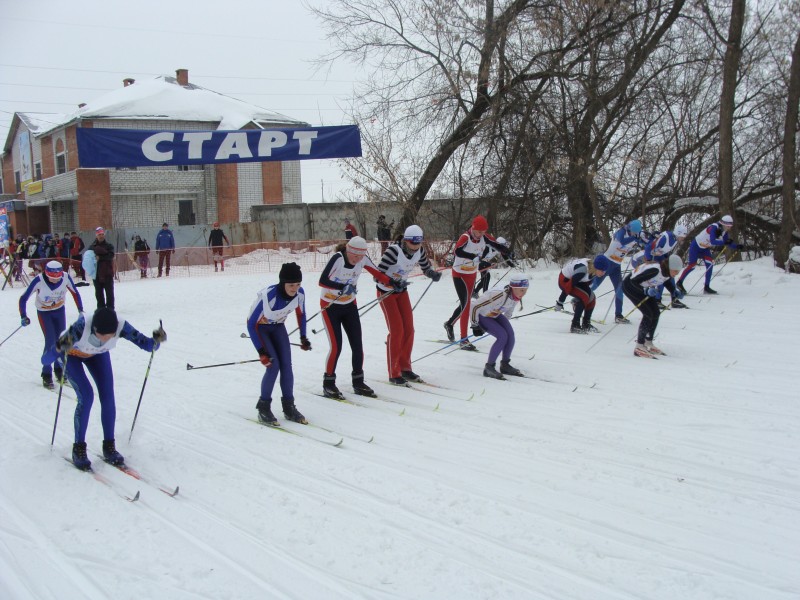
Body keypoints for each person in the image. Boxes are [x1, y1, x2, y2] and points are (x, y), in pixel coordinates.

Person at [46, 308, 166, 470]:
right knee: (87, 396)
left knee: (108, 397)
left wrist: (157, 340)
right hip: (72, 356)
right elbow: (45, 359)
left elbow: (147, 345)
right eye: (100, 336)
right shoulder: (81, 327)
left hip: (97, 356)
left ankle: (109, 446)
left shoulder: (121, 325)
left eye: (108, 336)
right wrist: (59, 348)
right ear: (93, 329)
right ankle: (79, 449)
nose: (104, 340)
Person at [318, 236, 395, 399]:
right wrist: (341, 286)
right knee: (336, 346)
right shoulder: (337, 259)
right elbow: (322, 281)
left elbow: (379, 274)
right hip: (330, 307)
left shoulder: (362, 259)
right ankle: (329, 384)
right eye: (355, 256)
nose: (358, 260)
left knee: (357, 345)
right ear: (348, 250)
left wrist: (394, 282)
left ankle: (358, 382)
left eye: (361, 256)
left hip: (349, 306)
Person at [246, 262, 311, 426]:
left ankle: (289, 407)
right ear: (283, 282)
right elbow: (251, 324)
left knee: (287, 366)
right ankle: (263, 407)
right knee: (273, 366)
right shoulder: (269, 296)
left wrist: (303, 337)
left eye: (298, 284)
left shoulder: (299, 294)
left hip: (278, 327)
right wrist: (261, 352)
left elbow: (301, 314)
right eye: (291, 285)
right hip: (261, 329)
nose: (294, 288)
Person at [376, 225, 442, 385]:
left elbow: (425, 267)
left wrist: (431, 273)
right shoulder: (393, 252)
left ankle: (405, 368)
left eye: (418, 244)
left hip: (402, 291)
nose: (415, 248)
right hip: (386, 293)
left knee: (409, 329)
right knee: (397, 331)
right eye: (413, 244)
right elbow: (377, 275)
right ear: (406, 241)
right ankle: (394, 372)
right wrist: (391, 283)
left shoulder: (419, 251)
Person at [443, 215, 509, 350]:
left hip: (471, 274)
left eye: (483, 232)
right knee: (466, 304)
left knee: (466, 304)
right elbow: (457, 251)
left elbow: (498, 245)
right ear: (473, 228)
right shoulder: (465, 237)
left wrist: (509, 254)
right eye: (479, 232)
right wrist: (473, 257)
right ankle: (463, 340)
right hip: (459, 274)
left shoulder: (484, 237)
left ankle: (450, 324)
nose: (480, 235)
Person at [19, 260, 84, 389]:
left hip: (59, 311)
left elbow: (75, 293)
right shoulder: (38, 280)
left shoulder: (65, 277)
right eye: (51, 278)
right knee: (50, 342)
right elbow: (23, 298)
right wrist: (23, 316)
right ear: (47, 274)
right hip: (44, 313)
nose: (55, 281)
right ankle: (46, 373)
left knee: (63, 341)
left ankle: (59, 370)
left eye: (57, 278)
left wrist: (81, 310)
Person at [470, 273, 529, 380]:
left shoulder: (515, 295)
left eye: (525, 290)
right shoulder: (499, 294)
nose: (524, 293)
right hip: (483, 315)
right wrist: (475, 324)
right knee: (502, 336)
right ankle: (489, 368)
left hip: (495, 314)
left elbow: (509, 309)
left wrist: (505, 322)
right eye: (521, 290)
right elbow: (474, 306)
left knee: (510, 334)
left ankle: (505, 365)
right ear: (513, 287)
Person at [622, 254, 683, 358]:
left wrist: (674, 292)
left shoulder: (666, 272)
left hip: (643, 288)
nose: (677, 273)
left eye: (678, 271)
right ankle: (639, 346)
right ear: (669, 267)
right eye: (675, 271)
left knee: (656, 313)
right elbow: (633, 281)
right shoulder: (655, 270)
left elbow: (666, 281)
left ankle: (648, 342)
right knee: (648, 314)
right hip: (630, 287)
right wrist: (646, 290)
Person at [590, 219, 645, 324]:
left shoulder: (635, 234)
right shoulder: (621, 232)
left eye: (635, 233)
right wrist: (634, 238)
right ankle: (578, 300)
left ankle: (618, 315)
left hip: (617, 265)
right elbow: (622, 241)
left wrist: (641, 242)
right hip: (607, 263)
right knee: (595, 285)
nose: (634, 234)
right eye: (633, 232)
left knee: (619, 289)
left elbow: (643, 241)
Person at [676, 215, 741, 295]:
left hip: (705, 248)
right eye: (728, 226)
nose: (729, 228)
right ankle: (679, 282)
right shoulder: (713, 227)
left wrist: (736, 246)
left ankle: (706, 287)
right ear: (724, 224)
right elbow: (713, 241)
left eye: (730, 226)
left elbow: (726, 242)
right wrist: (725, 242)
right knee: (692, 265)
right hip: (696, 246)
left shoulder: (724, 231)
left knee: (710, 265)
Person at [556, 255, 609, 333]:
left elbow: (585, 284)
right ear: (596, 267)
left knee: (591, 297)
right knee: (584, 297)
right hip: (565, 281)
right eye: (602, 270)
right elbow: (568, 286)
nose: (603, 273)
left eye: (605, 271)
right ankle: (575, 325)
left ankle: (586, 324)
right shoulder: (582, 270)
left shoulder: (594, 270)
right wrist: (560, 302)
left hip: (577, 281)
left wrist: (578, 298)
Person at [89, 227, 115, 310]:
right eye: (99, 234)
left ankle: (110, 310)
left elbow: (110, 256)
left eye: (102, 234)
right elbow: (88, 258)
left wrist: (100, 257)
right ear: (96, 236)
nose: (101, 236)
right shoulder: (92, 247)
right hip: (96, 274)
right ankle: (101, 310)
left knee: (109, 293)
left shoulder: (109, 246)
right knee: (99, 294)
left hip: (107, 273)